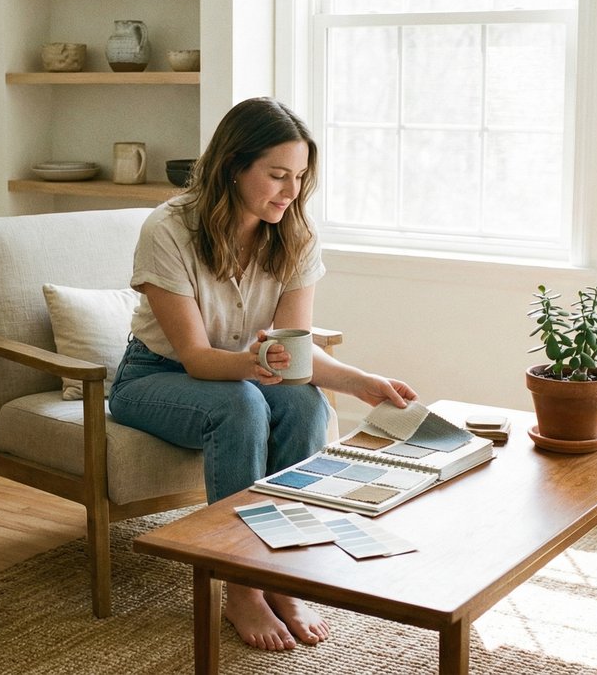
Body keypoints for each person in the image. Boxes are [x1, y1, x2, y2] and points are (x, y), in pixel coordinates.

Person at [109, 97, 417, 651]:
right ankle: (242, 584)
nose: (291, 191)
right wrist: (254, 367)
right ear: (233, 167)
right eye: (277, 175)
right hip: (155, 376)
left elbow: (295, 361)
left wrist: (361, 384)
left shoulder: (295, 234)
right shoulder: (168, 230)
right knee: (242, 405)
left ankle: (283, 573)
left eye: (299, 177)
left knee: (305, 405)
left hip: (240, 375)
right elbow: (199, 358)